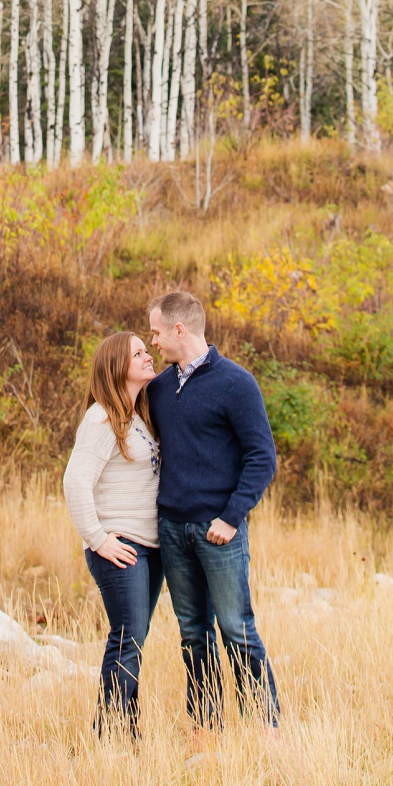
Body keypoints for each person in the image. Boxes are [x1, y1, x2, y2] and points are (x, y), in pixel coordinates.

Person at [146, 290, 280, 733]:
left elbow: (262, 458)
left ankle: (264, 727)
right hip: (172, 530)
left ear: (179, 329)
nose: (153, 342)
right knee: (192, 634)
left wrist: (231, 516)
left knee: (236, 629)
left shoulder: (237, 383)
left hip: (219, 529)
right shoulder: (161, 389)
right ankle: (206, 728)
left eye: (157, 332)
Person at [62, 332, 162, 734]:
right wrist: (98, 539)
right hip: (121, 547)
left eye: (146, 349)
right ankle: (108, 737)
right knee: (127, 639)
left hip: (148, 549)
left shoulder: (138, 415)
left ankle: (129, 734)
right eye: (137, 353)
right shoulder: (102, 417)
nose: (148, 355)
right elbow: (75, 481)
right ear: (116, 366)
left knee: (134, 642)